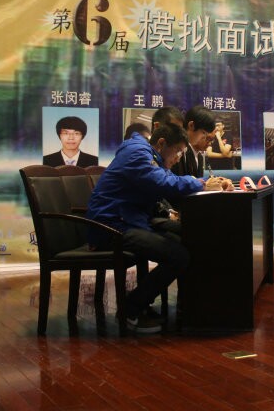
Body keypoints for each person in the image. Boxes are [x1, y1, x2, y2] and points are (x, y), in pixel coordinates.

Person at [86, 123, 217, 333]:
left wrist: (198, 183)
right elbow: (163, 182)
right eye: (178, 151)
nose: (178, 158)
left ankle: (188, 305)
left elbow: (165, 180)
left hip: (127, 221)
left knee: (183, 240)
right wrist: (201, 184)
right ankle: (130, 310)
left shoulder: (147, 154)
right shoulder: (137, 152)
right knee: (178, 255)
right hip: (110, 227)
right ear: (162, 143)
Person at [171, 105, 214, 178]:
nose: (204, 137)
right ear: (191, 125)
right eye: (203, 133)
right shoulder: (173, 149)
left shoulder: (188, 150)